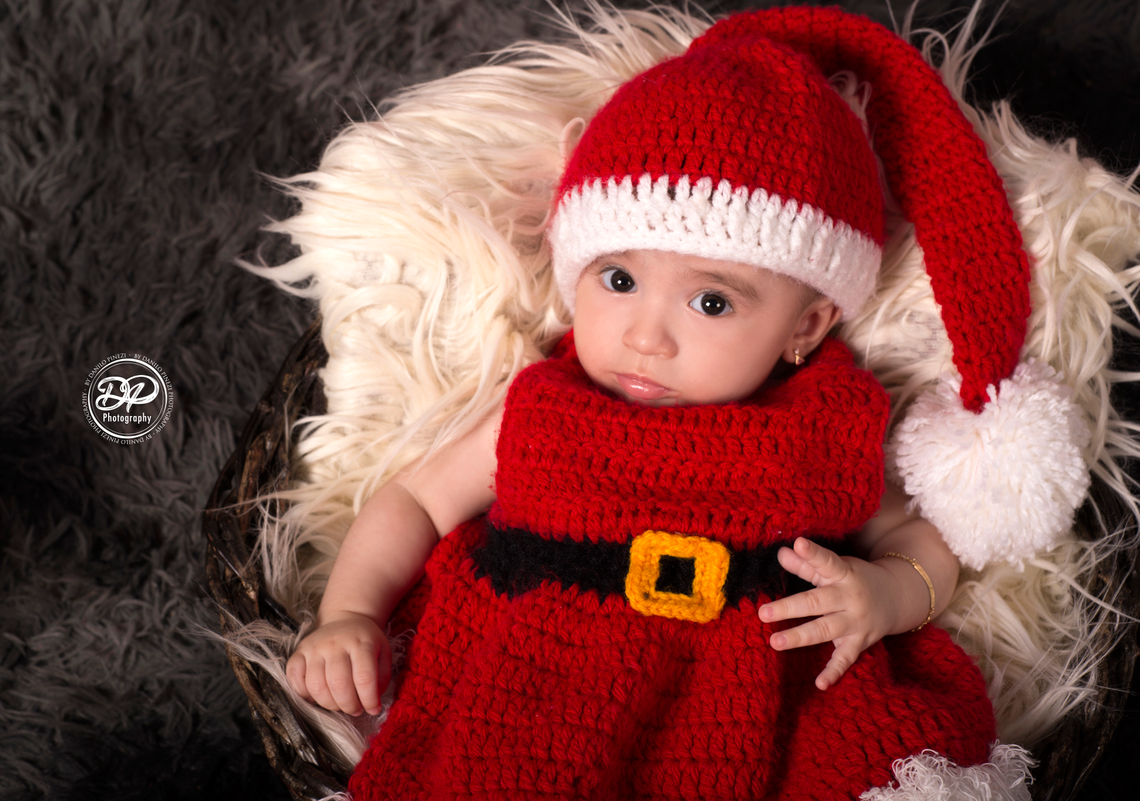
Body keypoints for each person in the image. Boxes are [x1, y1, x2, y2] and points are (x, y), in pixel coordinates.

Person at [285, 6, 1087, 798]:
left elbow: (922, 536)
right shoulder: (546, 412)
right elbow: (418, 501)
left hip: (750, 704)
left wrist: (888, 592)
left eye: (711, 303)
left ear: (804, 327)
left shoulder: (815, 432)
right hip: (540, 686)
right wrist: (349, 612)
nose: (647, 336)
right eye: (620, 279)